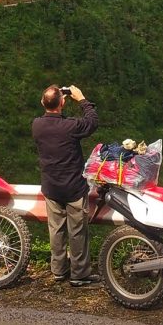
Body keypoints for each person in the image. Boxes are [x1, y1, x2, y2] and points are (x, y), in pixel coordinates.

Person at [31, 83, 100, 286]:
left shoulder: (36, 125)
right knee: (77, 231)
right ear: (62, 102)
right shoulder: (70, 126)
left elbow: (49, 112)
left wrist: (57, 98)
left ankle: (59, 270)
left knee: (56, 229)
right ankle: (79, 274)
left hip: (51, 187)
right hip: (73, 188)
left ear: (42, 103)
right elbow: (92, 122)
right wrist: (81, 99)